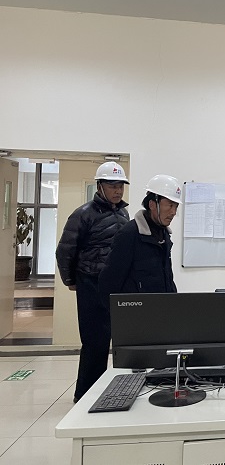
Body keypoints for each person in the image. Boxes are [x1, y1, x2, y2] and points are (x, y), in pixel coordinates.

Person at [55, 162, 130, 402]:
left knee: (121, 342)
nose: (118, 190)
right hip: (90, 283)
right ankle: (85, 396)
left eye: (121, 186)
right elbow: (65, 251)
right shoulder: (83, 214)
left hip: (116, 287)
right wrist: (70, 280)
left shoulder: (124, 214)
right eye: (112, 185)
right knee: (95, 343)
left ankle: (113, 393)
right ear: (100, 186)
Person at [98, 174, 182, 297]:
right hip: (136, 308)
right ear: (152, 204)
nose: (173, 212)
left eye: (176, 206)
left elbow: (167, 278)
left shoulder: (164, 235)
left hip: (162, 306)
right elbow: (109, 281)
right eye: (170, 205)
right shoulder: (129, 234)